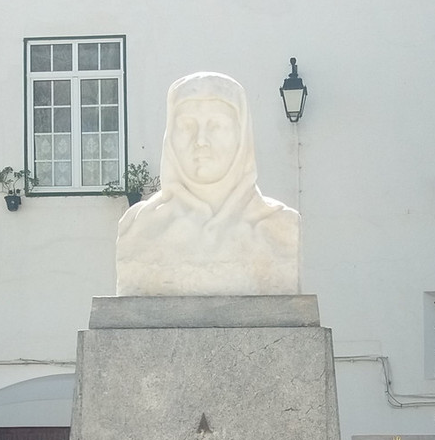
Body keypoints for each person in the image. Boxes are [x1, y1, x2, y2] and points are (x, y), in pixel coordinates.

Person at [115, 72, 301, 296]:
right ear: (170, 137)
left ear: (241, 136)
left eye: (217, 126)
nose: (201, 140)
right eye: (186, 126)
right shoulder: (138, 228)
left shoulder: (280, 227)